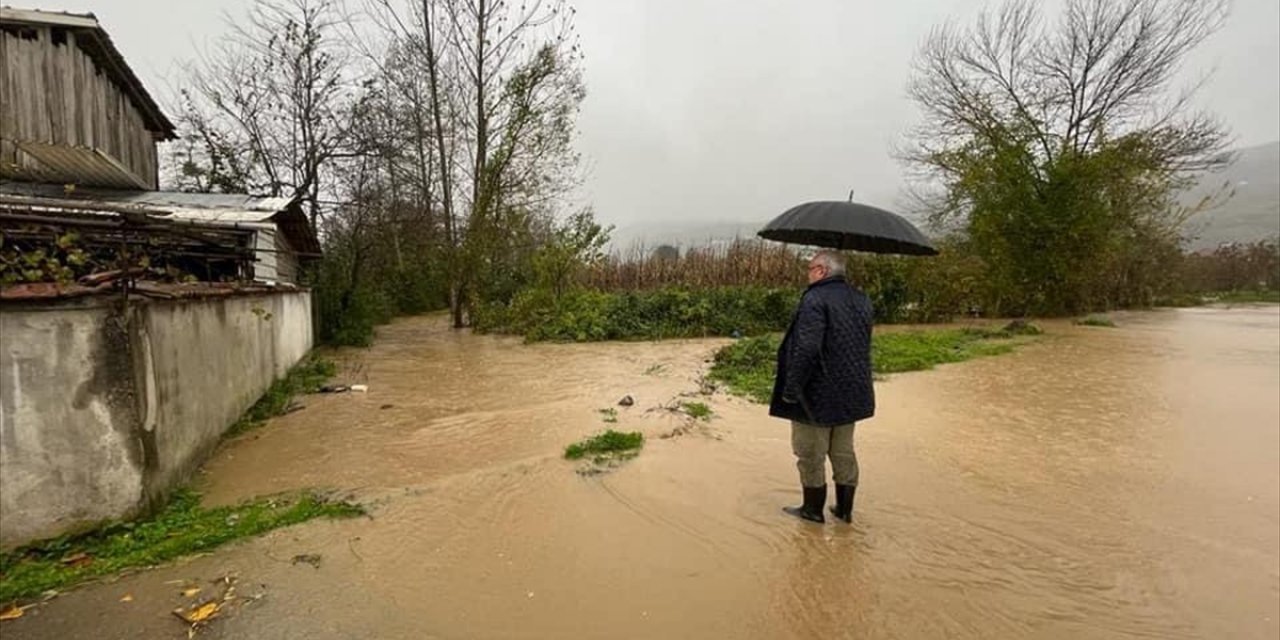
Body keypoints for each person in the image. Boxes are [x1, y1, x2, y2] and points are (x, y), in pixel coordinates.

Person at [769, 250, 875, 524]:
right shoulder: (862, 299)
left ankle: (812, 510)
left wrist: (792, 387)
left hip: (816, 393)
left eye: (810, 267)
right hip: (851, 392)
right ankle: (844, 510)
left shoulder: (814, 298)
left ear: (822, 271)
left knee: (809, 452)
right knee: (843, 451)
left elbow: (807, 347)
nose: (808, 272)